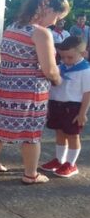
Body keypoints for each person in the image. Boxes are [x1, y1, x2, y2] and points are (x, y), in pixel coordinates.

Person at [0, 0, 69, 184]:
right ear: (46, 9)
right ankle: (31, 174)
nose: (55, 22)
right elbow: (50, 70)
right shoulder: (41, 33)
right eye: (57, 16)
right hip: (29, 92)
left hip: (5, 88)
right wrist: (59, 81)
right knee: (31, 134)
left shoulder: (13, 27)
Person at [40, 36, 90, 178]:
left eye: (70, 57)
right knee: (60, 133)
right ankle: (59, 160)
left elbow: (87, 94)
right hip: (56, 105)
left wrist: (82, 113)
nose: (65, 60)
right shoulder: (60, 67)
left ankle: (71, 164)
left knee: (73, 136)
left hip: (73, 107)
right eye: (62, 57)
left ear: (83, 54)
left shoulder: (85, 71)